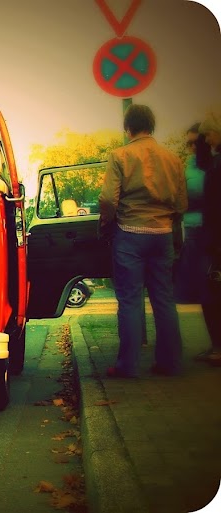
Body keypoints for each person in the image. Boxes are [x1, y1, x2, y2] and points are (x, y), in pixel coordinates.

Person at [98, 104, 187, 377]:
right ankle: (170, 363)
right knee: (164, 299)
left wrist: (106, 225)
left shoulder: (120, 156)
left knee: (130, 300)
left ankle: (127, 365)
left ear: (128, 128)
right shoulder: (173, 159)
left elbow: (108, 199)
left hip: (130, 234)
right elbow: (181, 204)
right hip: (162, 234)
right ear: (152, 126)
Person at [174, 123, 211, 304]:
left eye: (197, 142)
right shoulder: (188, 166)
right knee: (197, 276)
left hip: (210, 227)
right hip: (191, 226)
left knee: (208, 276)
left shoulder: (213, 163)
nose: (193, 147)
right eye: (189, 143)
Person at [195, 110, 221, 364]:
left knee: (212, 294)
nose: (207, 140)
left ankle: (218, 348)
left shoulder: (217, 165)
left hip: (216, 238)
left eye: (209, 134)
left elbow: (214, 206)